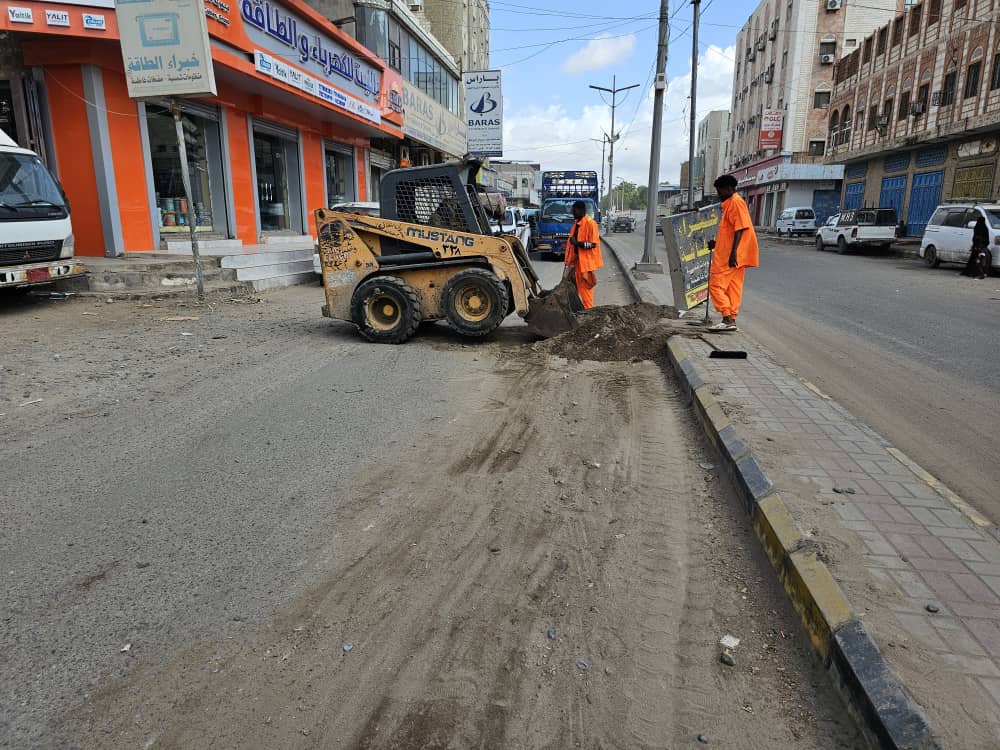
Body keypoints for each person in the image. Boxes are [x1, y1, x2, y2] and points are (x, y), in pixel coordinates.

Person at [708, 174, 759, 331]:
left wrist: (733, 253)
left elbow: (741, 228)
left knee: (715, 285)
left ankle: (727, 317)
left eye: (720, 191)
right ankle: (731, 319)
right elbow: (730, 232)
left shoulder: (736, 202)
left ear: (729, 189)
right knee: (733, 287)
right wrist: (717, 244)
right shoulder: (730, 204)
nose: (719, 194)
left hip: (731, 256)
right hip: (733, 253)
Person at [564, 200, 603, 309]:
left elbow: (593, 244)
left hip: (586, 264)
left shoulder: (591, 224)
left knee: (586, 289)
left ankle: (588, 311)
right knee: (576, 289)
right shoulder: (576, 224)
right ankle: (580, 311)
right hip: (577, 263)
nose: (573, 213)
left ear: (582, 210)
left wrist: (578, 243)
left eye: (575, 211)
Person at [962, 215, 989, 279]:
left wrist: (976, 245)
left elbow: (975, 238)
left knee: (977, 260)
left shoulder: (977, 227)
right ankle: (981, 273)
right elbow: (986, 240)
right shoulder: (985, 228)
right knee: (980, 260)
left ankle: (977, 273)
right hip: (982, 247)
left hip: (977, 247)